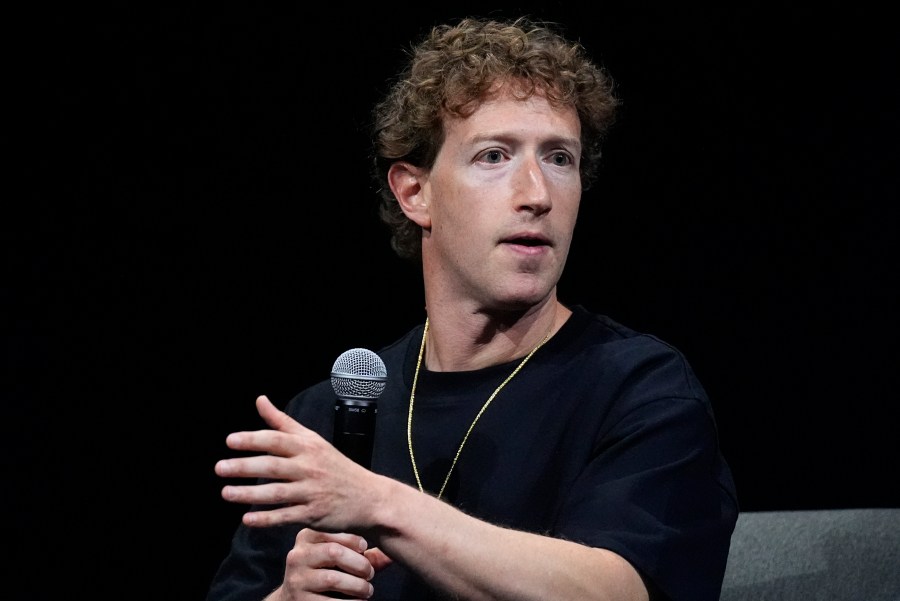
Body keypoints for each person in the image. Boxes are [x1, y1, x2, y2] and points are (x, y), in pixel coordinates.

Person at [206, 15, 738, 601]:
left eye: (559, 158)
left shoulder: (640, 389)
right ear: (416, 192)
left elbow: (620, 590)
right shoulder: (329, 416)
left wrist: (378, 502)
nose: (537, 194)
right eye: (494, 156)